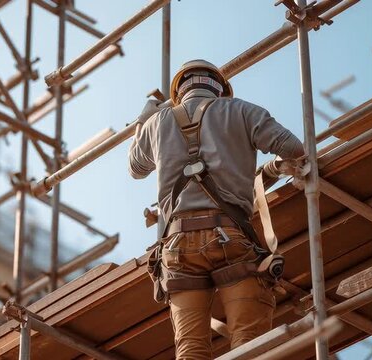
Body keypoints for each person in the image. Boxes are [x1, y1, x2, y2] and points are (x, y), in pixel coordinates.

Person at [128, 59, 305, 359]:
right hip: (231, 238)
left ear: (178, 92)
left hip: (178, 248)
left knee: (191, 350)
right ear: (221, 90)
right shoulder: (241, 110)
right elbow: (293, 148)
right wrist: (269, 165)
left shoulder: (157, 124)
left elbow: (135, 167)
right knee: (249, 344)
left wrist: (143, 122)